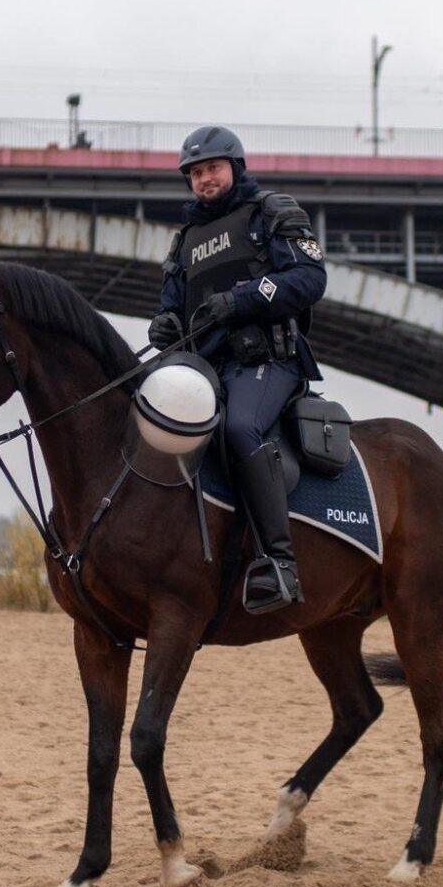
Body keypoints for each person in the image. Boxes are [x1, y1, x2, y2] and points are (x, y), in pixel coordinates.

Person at [148, 125, 327, 612]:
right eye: (196, 173)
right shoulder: (184, 241)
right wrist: (163, 326)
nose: (205, 179)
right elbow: (170, 307)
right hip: (205, 368)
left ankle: (280, 563)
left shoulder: (270, 212)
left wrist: (242, 300)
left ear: (235, 167)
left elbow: (310, 278)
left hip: (269, 360)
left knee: (241, 429)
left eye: (213, 168)